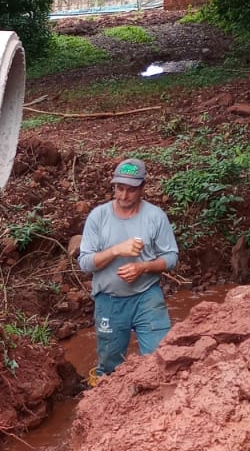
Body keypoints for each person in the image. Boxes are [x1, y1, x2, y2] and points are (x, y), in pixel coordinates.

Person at [77, 157, 179, 378]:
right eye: (119, 188)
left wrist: (143, 267)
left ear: (142, 188)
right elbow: (85, 263)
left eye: (130, 190)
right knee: (110, 367)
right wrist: (116, 250)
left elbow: (171, 257)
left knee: (161, 357)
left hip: (147, 296)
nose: (123, 196)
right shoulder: (99, 217)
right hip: (109, 299)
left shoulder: (155, 216)